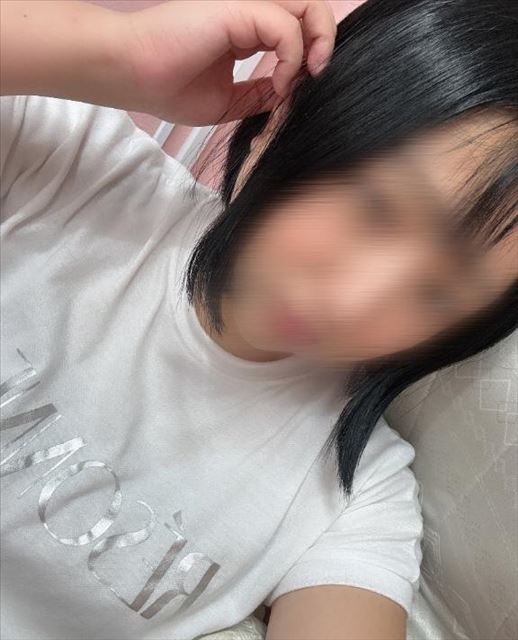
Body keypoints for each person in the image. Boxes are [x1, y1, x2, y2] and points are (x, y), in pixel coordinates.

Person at [0, 1, 515, 639]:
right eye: (377, 209)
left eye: (436, 294)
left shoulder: (356, 499)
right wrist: (117, 53)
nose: (354, 302)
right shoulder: (62, 166)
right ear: (285, 120)